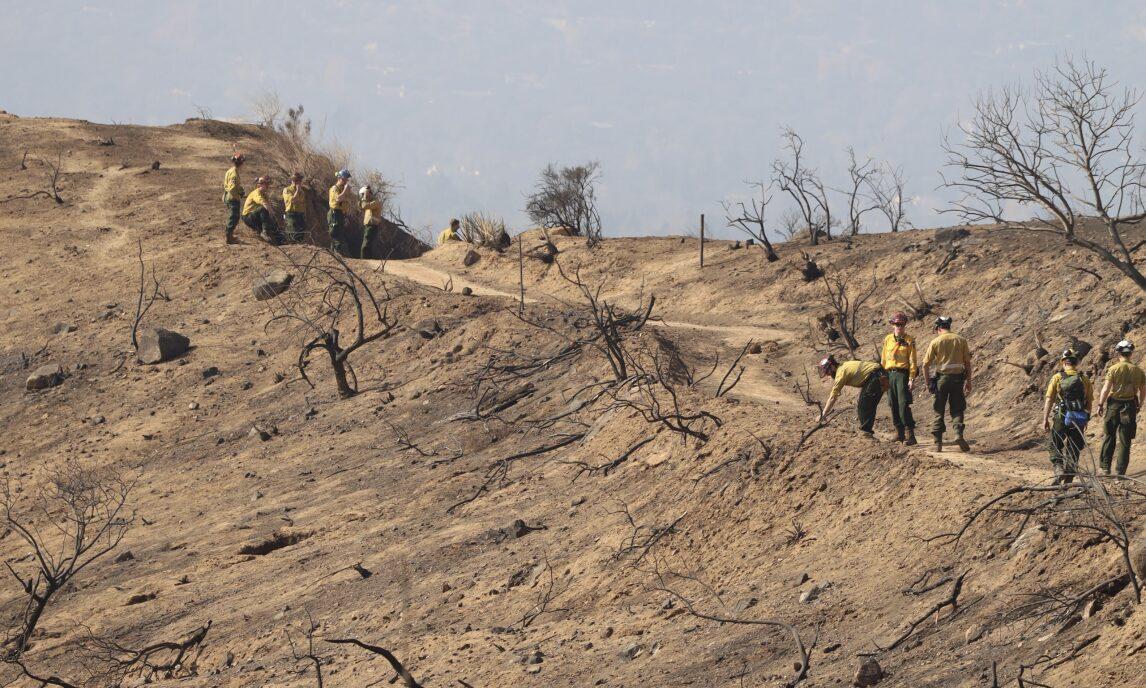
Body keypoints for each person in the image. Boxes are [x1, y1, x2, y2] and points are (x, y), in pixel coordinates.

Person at [1095, 339, 1146, 476]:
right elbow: (1143, 390)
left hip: (1114, 405)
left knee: (1109, 436)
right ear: (1130, 354)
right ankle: (1120, 471)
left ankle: (1105, 468)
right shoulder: (1138, 371)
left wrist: (1100, 404)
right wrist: (1140, 404)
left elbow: (1106, 389)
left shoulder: (1113, 369)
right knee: (1125, 439)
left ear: (1119, 353)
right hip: (1129, 406)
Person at [1042, 349, 1093, 484]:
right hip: (1078, 416)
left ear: (1063, 362)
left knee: (1054, 443)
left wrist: (1045, 419)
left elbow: (1049, 399)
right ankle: (1069, 477)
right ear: (1076, 363)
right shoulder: (1084, 378)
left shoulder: (1057, 377)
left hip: (1061, 415)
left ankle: (1058, 469)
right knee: (1074, 446)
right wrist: (1085, 419)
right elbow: (1089, 402)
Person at [921, 316, 972, 452]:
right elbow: (967, 363)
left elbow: (925, 365)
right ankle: (958, 434)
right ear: (949, 326)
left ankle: (938, 443)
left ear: (938, 328)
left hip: (941, 380)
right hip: (957, 380)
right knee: (957, 409)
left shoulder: (935, 342)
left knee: (939, 410)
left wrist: (928, 384)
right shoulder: (961, 340)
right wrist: (969, 381)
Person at [817, 354, 887, 437]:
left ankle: (866, 432)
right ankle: (867, 431)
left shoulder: (841, 373)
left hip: (875, 376)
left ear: (832, 366)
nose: (828, 374)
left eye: (827, 371)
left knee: (864, 405)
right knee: (865, 402)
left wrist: (823, 414)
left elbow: (832, 397)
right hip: (877, 374)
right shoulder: (843, 365)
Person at [881, 312, 919, 445]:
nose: (899, 327)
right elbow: (884, 359)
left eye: (901, 324)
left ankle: (910, 434)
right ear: (893, 325)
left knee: (903, 404)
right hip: (889, 374)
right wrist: (882, 375)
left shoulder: (909, 340)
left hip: (902, 375)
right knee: (893, 404)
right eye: (897, 324)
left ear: (905, 325)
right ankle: (899, 433)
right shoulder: (888, 339)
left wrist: (911, 378)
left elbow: (913, 361)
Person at [241, 176, 280, 244]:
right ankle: (265, 232)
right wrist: (271, 212)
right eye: (266, 184)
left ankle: (277, 241)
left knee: (273, 224)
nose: (268, 186)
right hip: (248, 216)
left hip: (256, 216)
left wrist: (273, 217)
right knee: (263, 209)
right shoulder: (256, 193)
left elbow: (268, 205)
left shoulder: (264, 195)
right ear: (260, 185)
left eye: (268, 184)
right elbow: (263, 203)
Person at [328, 169, 353, 255]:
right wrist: (345, 190)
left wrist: (345, 216)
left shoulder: (342, 189)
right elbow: (339, 198)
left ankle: (335, 253)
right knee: (335, 232)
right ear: (339, 178)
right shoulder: (334, 188)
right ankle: (336, 252)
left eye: (347, 179)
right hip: (334, 213)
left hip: (341, 213)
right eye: (345, 179)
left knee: (339, 232)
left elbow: (347, 202)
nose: (346, 181)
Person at [222, 153, 245, 244]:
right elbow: (232, 188)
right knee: (234, 217)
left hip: (229, 196)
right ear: (241, 163)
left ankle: (230, 235)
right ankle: (229, 237)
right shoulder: (234, 174)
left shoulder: (230, 171)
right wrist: (239, 193)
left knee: (234, 216)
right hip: (233, 198)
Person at [282, 172, 307, 244]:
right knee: (292, 230)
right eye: (296, 180)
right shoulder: (287, 190)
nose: (299, 182)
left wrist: (298, 191)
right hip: (291, 213)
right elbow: (293, 200)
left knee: (301, 231)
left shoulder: (302, 192)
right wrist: (297, 191)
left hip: (300, 213)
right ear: (293, 181)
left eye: (299, 180)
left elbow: (301, 200)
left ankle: (299, 244)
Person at [359, 184, 382, 258]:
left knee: (365, 246)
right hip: (368, 226)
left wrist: (365, 196)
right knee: (368, 245)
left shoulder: (375, 202)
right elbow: (361, 206)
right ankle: (368, 259)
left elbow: (365, 206)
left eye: (363, 195)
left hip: (372, 226)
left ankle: (364, 260)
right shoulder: (369, 202)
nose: (363, 196)